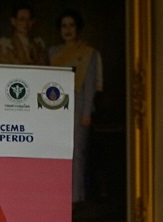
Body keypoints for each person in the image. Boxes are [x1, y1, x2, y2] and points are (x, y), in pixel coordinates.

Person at [48, 8, 103, 204]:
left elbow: (89, 86)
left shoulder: (88, 53)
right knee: (58, 152)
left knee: (77, 153)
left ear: (77, 28)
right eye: (64, 26)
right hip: (56, 107)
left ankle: (76, 197)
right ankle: (59, 195)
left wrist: (87, 113)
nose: (67, 30)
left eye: (71, 25)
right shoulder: (53, 52)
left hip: (79, 107)